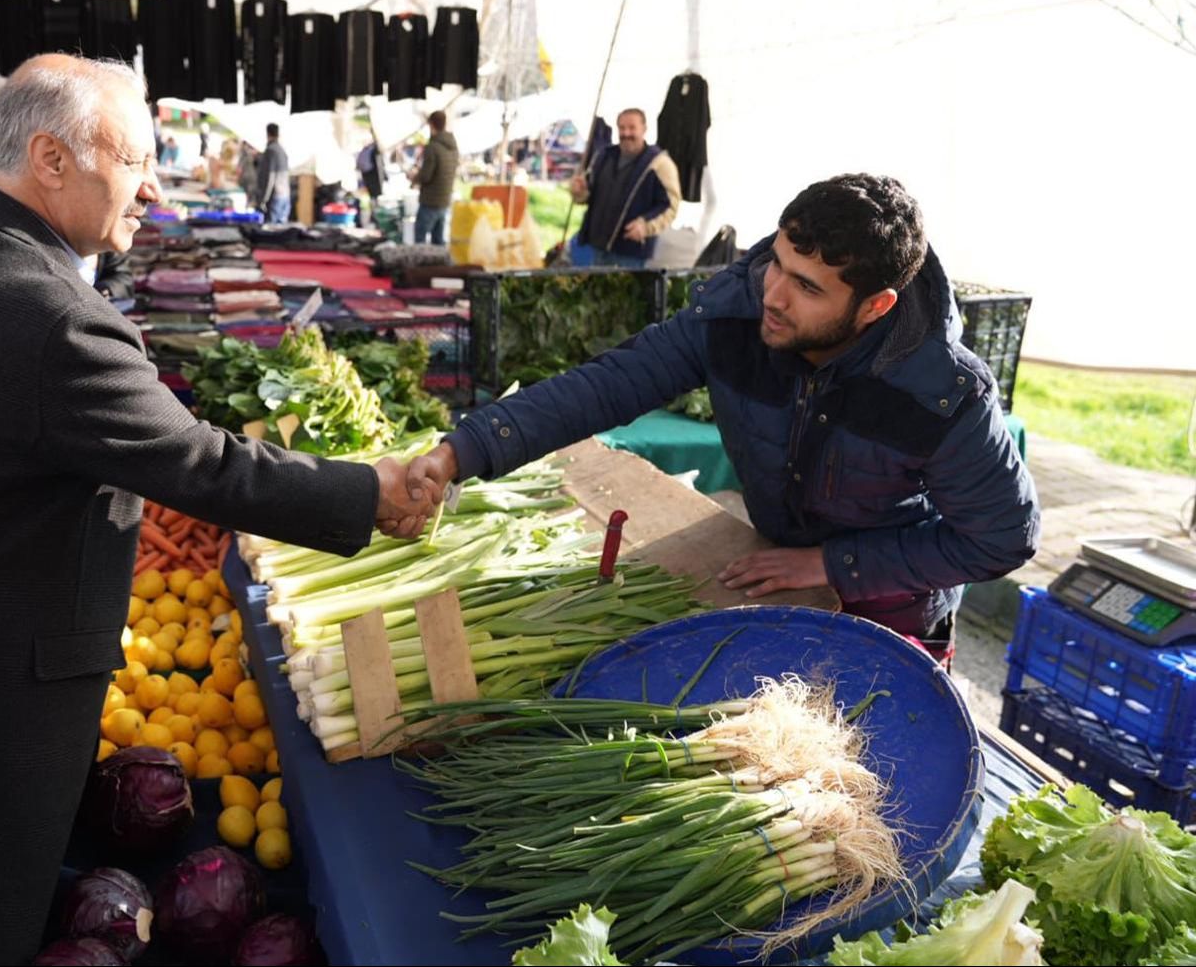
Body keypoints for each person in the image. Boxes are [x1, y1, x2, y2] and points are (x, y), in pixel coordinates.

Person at [0, 55, 438, 965]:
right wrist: (368, 491)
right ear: (50, 159)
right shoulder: (46, 310)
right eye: (136, 160)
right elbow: (199, 462)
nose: (154, 189)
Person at [410, 174, 1040, 664]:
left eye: (808, 287)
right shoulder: (735, 313)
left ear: (876, 307)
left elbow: (1004, 536)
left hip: (890, 611)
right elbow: (608, 385)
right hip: (773, 576)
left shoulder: (944, 392)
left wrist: (831, 563)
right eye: (777, 263)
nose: (774, 295)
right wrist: (461, 451)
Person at [568, 107, 681, 268]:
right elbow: (587, 194)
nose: (626, 133)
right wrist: (579, 191)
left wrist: (645, 226)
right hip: (596, 247)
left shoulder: (660, 164)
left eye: (632, 128)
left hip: (630, 254)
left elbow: (670, 206)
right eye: (622, 128)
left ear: (644, 129)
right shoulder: (604, 156)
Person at [412, 111, 458, 244]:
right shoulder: (452, 146)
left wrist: (414, 177)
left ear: (431, 125)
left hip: (430, 201)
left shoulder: (433, 147)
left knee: (420, 240)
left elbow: (426, 176)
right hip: (445, 199)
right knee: (438, 242)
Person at [256, 122, 291, 223]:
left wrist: (264, 199)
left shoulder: (270, 151)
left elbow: (270, 177)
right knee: (282, 229)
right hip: (285, 194)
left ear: (267, 134)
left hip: (274, 196)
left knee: (271, 229)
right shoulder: (282, 151)